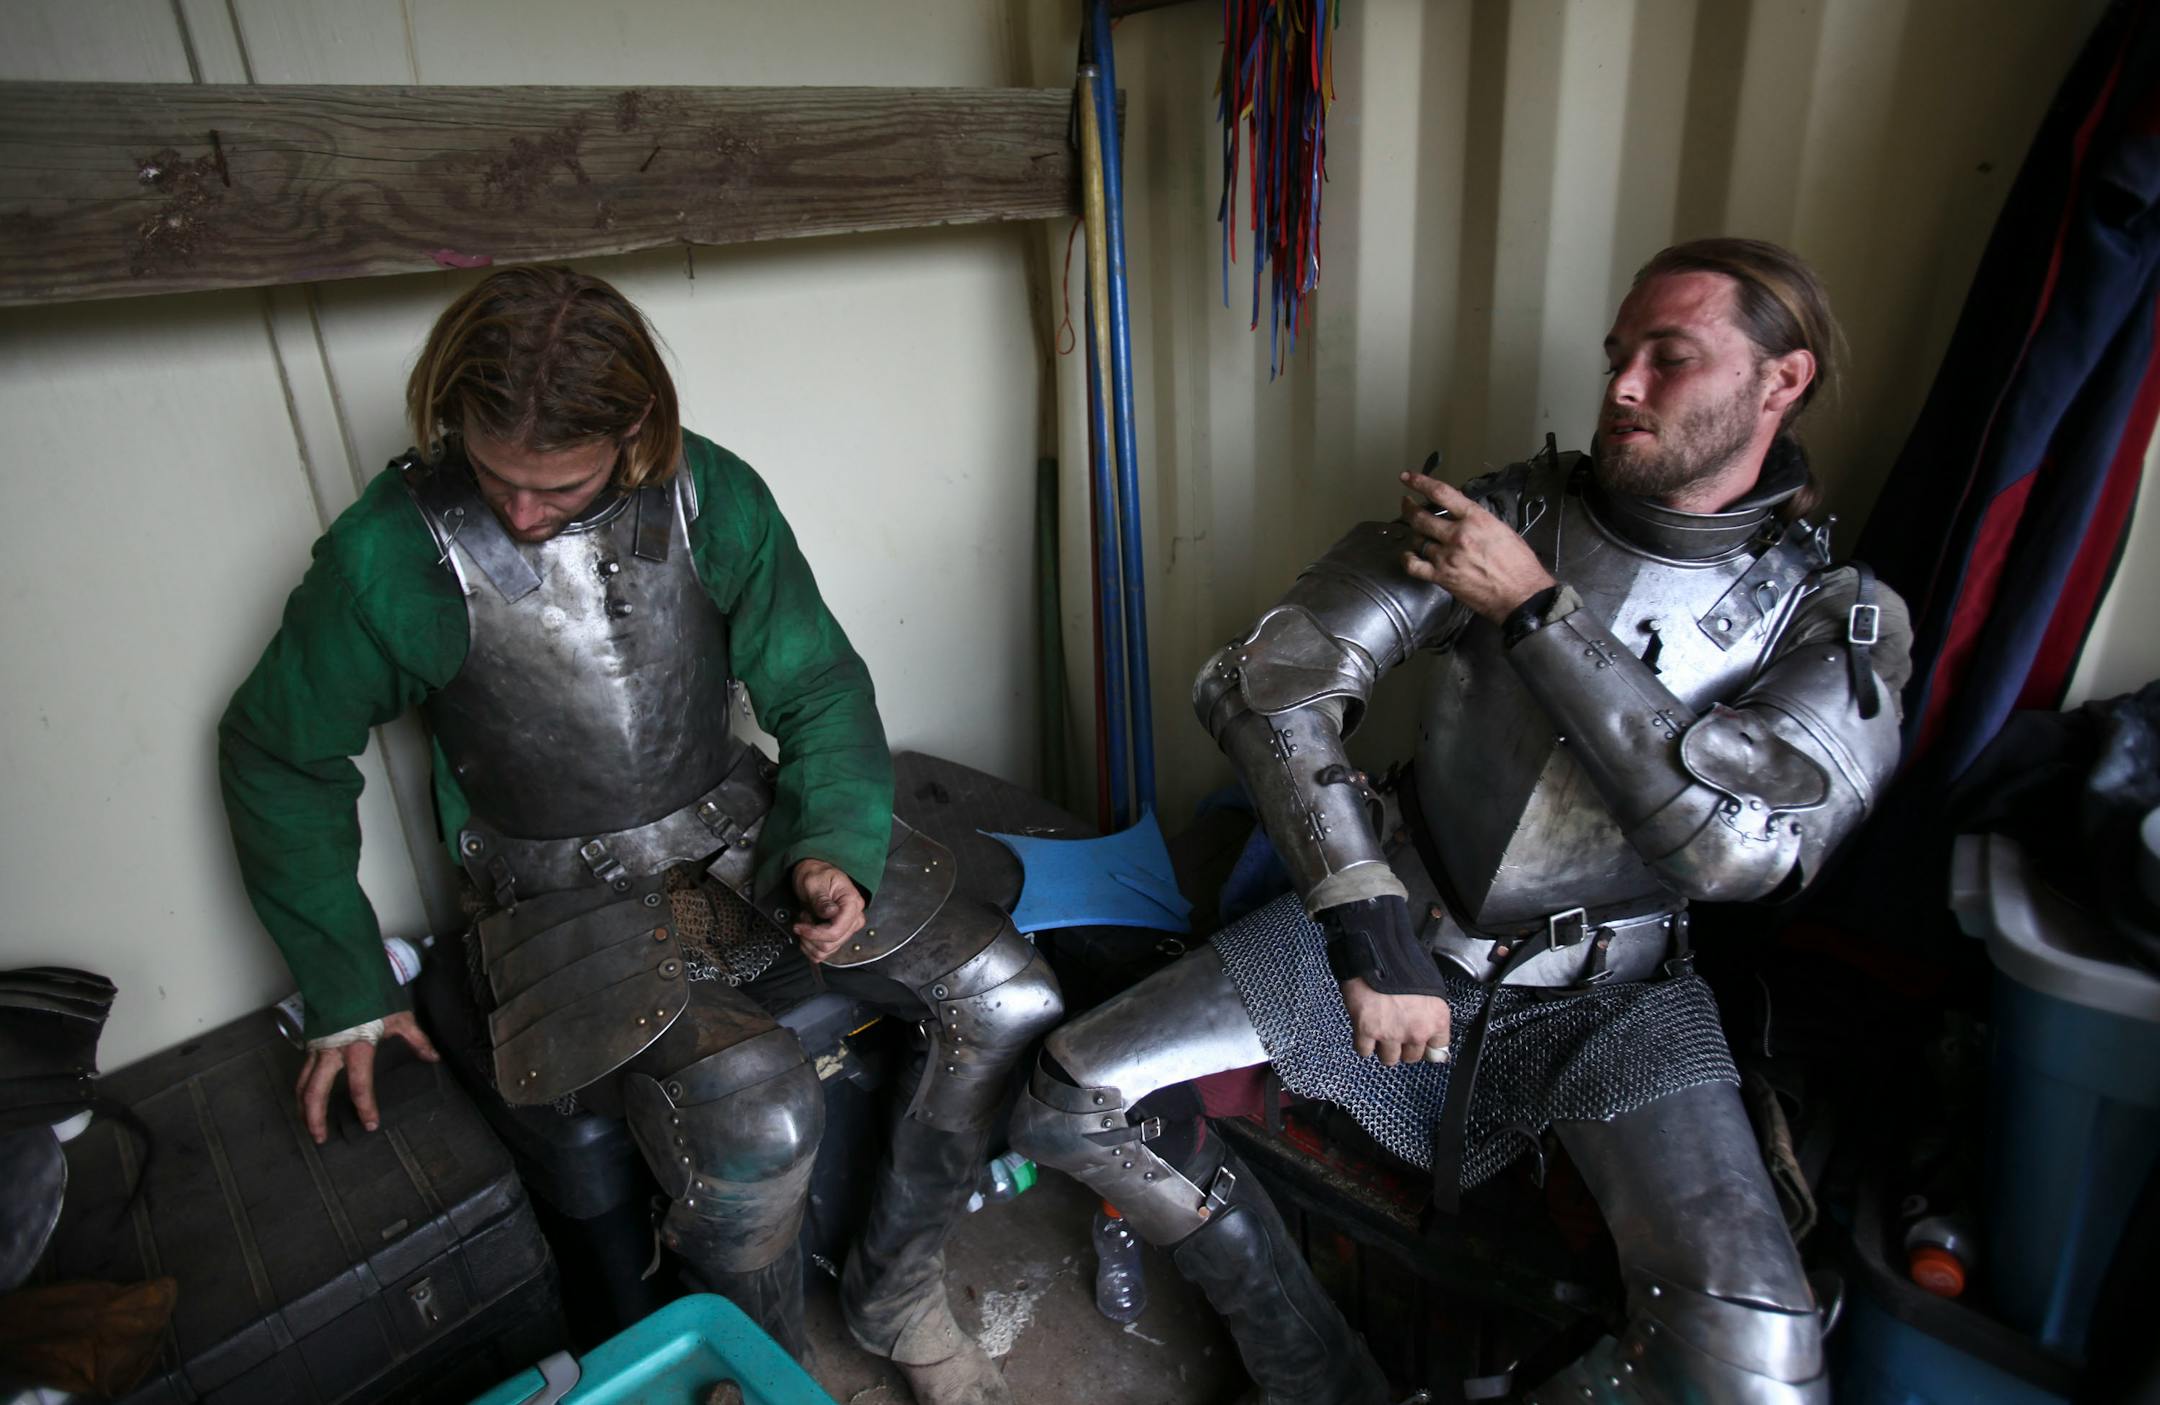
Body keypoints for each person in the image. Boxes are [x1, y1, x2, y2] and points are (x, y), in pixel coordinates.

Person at [1009, 238, 1911, 1404]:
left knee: (1760, 1358)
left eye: (1669, 358)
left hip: (1618, 997)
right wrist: (1369, 929)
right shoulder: (1511, 512)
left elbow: (1736, 853)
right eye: (1618, 355)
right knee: (1067, 1102)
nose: (1623, 386)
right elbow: (1262, 682)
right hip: (1405, 919)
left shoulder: (1835, 618)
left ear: (1780, 381)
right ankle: (1316, 1372)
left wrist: (1535, 610)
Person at [219, 265, 1059, 1405]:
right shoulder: (391, 552)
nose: (518, 511)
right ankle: (773, 1377)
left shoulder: (713, 495)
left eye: (555, 484)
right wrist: (346, 982)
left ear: (633, 431)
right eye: (495, 474)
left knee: (1007, 993)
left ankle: (894, 1292)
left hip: (731, 837)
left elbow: (815, 683)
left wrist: (833, 847)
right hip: (555, 890)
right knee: (758, 1104)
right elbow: (278, 752)